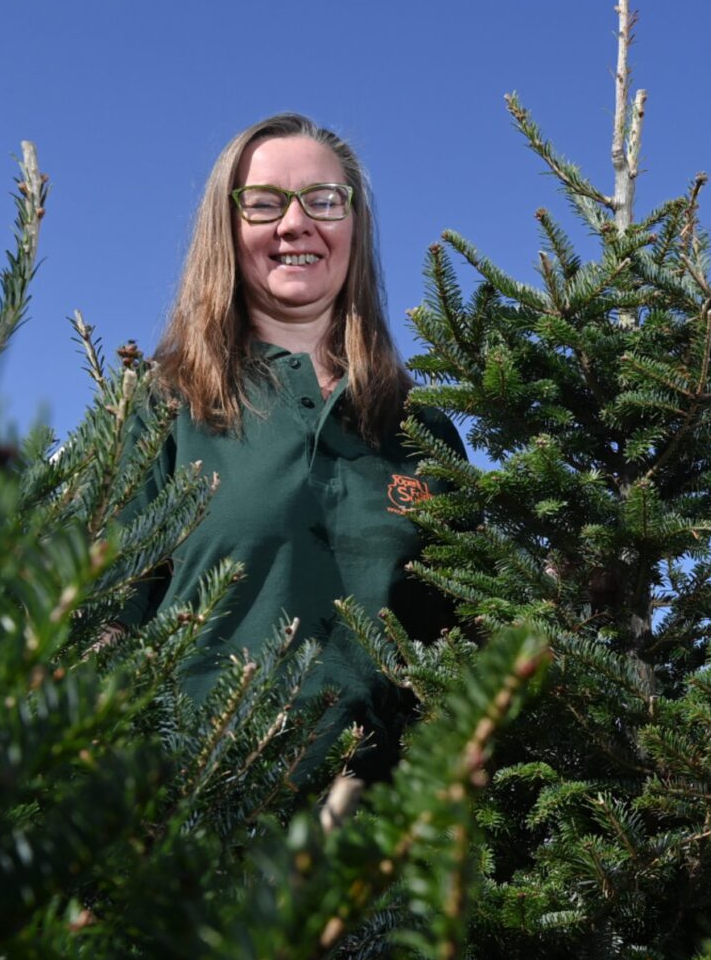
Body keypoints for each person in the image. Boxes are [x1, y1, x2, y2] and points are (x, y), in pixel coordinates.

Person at [125, 113, 462, 779]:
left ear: (354, 226)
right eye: (263, 203)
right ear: (227, 228)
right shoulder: (163, 406)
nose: (294, 223)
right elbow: (101, 625)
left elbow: (467, 638)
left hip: (384, 846)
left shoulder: (420, 430)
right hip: (190, 834)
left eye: (324, 200)